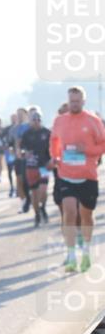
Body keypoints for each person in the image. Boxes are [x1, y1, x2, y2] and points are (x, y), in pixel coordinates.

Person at [51, 85, 105, 272]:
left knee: (86, 216)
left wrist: (87, 150)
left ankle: (87, 253)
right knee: (69, 213)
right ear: (68, 101)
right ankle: (72, 255)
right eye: (71, 101)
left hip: (88, 175)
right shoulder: (60, 121)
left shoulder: (93, 121)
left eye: (77, 101)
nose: (74, 104)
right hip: (66, 175)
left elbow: (103, 144)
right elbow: (54, 141)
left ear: (83, 101)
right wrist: (55, 156)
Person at [19, 108, 52, 226]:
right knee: (34, 193)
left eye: (39, 119)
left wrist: (52, 160)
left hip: (44, 166)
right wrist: (24, 153)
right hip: (31, 166)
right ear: (31, 121)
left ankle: (43, 207)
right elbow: (21, 149)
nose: (37, 121)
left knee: (43, 190)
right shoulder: (27, 134)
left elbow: (53, 148)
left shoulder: (47, 132)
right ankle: (37, 214)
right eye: (34, 119)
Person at [11, 108, 32, 213]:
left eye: (21, 114)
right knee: (20, 181)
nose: (19, 116)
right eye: (17, 114)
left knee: (28, 180)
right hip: (18, 158)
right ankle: (23, 201)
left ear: (26, 115)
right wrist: (13, 150)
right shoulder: (14, 129)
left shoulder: (29, 126)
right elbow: (12, 142)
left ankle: (30, 198)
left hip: (28, 158)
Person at [4, 113, 17, 197]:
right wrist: (5, 145)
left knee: (18, 171)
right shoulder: (7, 128)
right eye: (12, 118)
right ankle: (12, 187)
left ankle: (18, 187)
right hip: (10, 152)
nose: (13, 119)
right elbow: (1, 137)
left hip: (18, 152)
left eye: (14, 118)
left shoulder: (20, 127)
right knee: (10, 170)